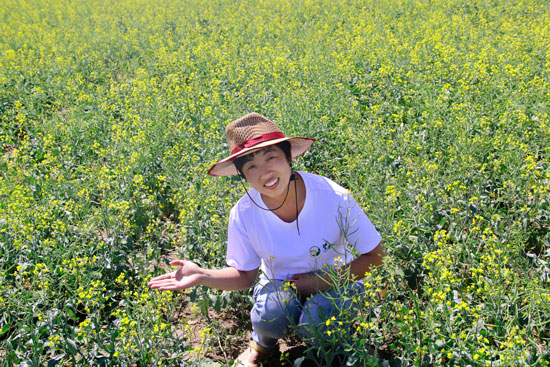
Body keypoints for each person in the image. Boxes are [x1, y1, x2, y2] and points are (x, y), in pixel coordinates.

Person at [148, 113, 384, 366]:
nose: (265, 173)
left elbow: (376, 257)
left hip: (337, 280)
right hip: (281, 287)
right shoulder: (244, 213)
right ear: (243, 176)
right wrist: (203, 275)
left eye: (271, 157)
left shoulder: (332, 196)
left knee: (316, 323)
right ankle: (260, 345)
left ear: (289, 158)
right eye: (251, 166)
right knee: (272, 312)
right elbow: (245, 276)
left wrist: (317, 283)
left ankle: (332, 345)